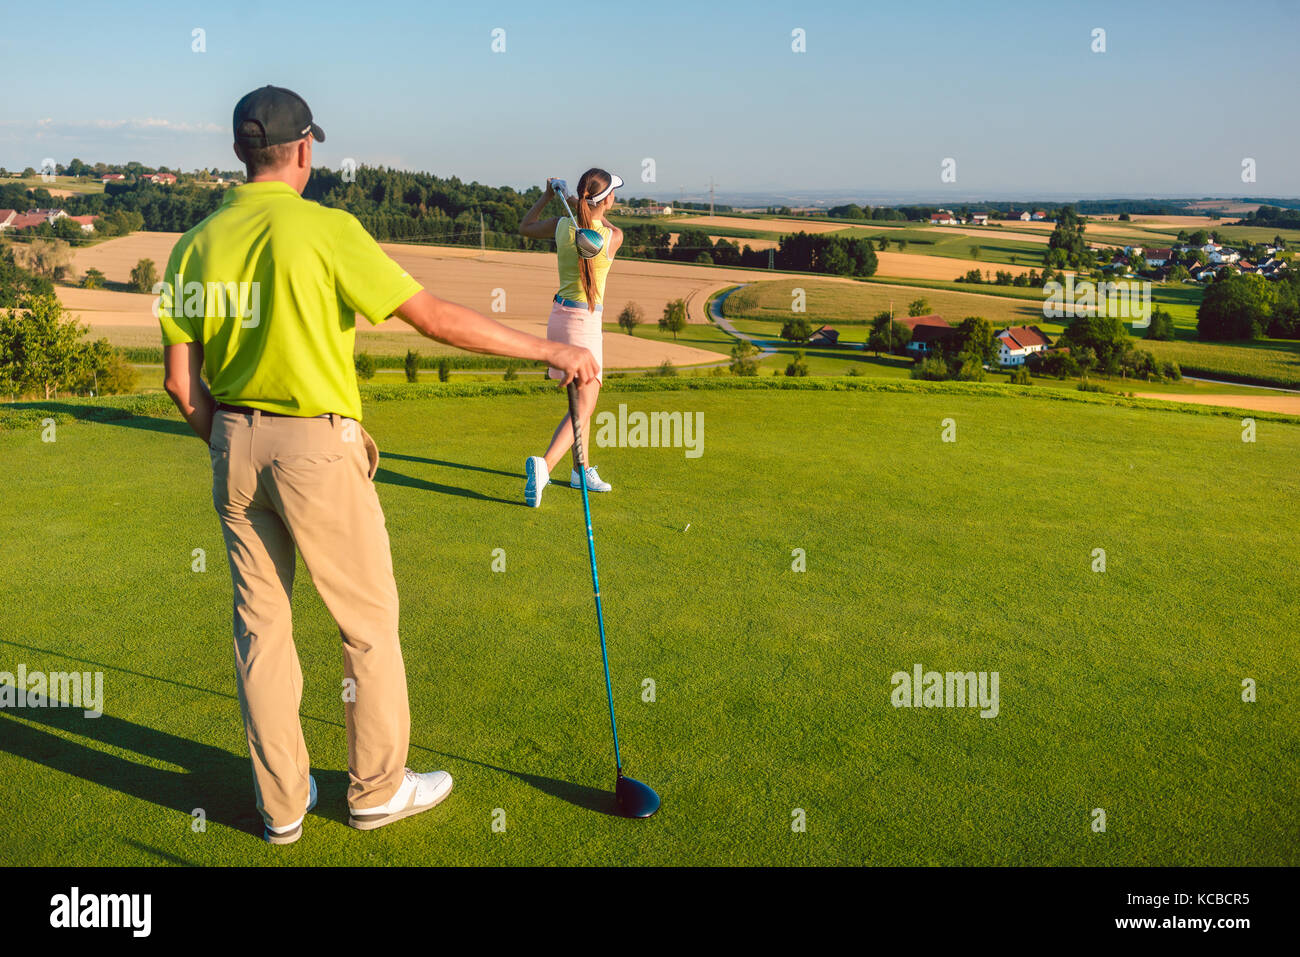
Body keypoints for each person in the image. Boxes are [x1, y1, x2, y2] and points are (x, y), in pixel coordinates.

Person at [158, 86, 598, 844]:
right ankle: (376, 791)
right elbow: (432, 317)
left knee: (261, 634)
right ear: (302, 151)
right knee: (366, 624)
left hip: (231, 442)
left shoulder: (191, 243)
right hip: (316, 448)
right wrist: (553, 348)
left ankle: (282, 807)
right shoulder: (328, 230)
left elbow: (176, 380)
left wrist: (231, 443)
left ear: (239, 151)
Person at [518, 169, 624, 507]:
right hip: (585, 325)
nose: (615, 197)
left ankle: (580, 470)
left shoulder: (562, 224)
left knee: (582, 403)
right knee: (585, 406)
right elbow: (592, 220)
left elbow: (526, 227)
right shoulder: (613, 236)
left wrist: (549, 195)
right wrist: (573, 200)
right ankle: (545, 467)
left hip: (559, 320)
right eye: (613, 192)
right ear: (605, 199)